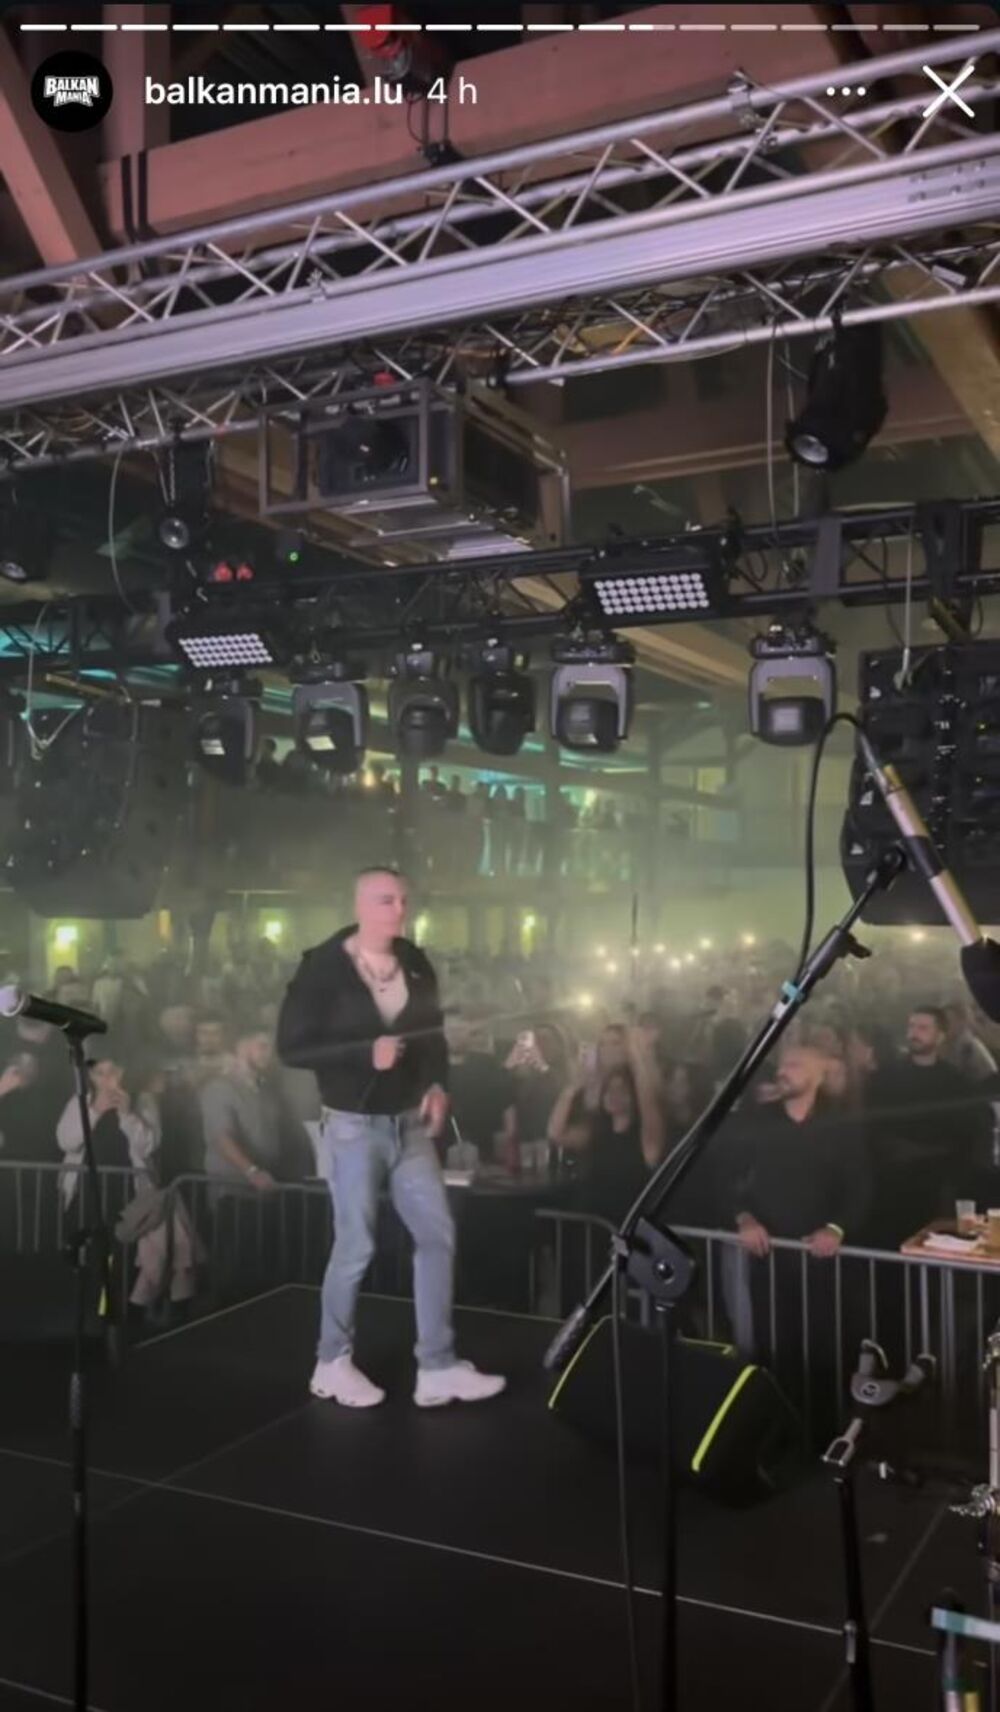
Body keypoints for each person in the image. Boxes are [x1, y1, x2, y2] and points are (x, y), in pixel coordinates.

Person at [277, 867, 505, 1410]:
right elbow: (292, 1048)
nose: (398, 910)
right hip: (353, 1126)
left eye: (403, 900)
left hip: (408, 1123)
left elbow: (432, 1036)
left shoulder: (415, 962)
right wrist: (365, 1053)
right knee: (356, 1244)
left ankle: (437, 1366)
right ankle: (331, 1362)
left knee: (437, 1234)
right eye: (385, 900)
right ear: (359, 905)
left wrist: (438, 1085)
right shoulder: (322, 968)